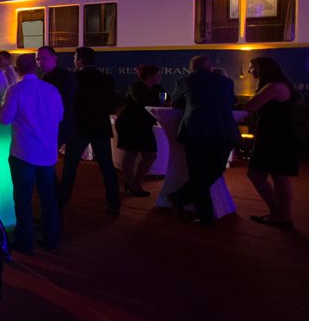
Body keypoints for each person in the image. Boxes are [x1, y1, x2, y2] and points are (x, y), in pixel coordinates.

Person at [0, 53, 64, 254]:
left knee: (23, 199)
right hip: (48, 153)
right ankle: (52, 238)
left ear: (17, 70)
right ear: (36, 68)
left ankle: (24, 241)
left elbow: (5, 119)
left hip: (23, 152)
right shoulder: (51, 90)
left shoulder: (15, 90)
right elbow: (60, 115)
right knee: (48, 198)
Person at [169, 55, 241, 227]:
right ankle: (182, 198)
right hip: (224, 130)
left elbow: (175, 104)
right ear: (210, 67)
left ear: (191, 68)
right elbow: (231, 102)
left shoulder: (184, 81)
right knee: (215, 170)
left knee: (197, 173)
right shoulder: (226, 82)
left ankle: (200, 212)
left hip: (196, 131)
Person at [59, 47, 120, 216]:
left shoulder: (73, 78)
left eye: (74, 58)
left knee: (70, 166)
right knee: (107, 167)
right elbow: (111, 106)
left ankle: (62, 199)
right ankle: (114, 203)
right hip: (100, 127)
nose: (73, 61)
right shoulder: (107, 79)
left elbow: (68, 105)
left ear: (80, 60)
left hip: (78, 127)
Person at [243, 57, 297, 229]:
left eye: (251, 68)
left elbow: (249, 107)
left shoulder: (273, 87)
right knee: (279, 175)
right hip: (280, 134)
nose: (250, 71)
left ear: (262, 68)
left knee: (260, 174)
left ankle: (281, 215)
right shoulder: (282, 85)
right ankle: (280, 215)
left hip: (274, 135)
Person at [115, 64, 162, 197]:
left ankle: (136, 181)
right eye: (157, 75)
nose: (160, 78)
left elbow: (166, 99)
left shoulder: (158, 88)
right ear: (149, 77)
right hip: (130, 124)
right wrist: (159, 101)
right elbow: (142, 102)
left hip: (144, 125)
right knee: (131, 153)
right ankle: (131, 183)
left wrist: (160, 99)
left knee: (150, 155)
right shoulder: (135, 87)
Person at [36, 46, 76, 150]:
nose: (40, 62)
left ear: (54, 58)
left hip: (61, 126)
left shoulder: (65, 77)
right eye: (38, 59)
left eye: (44, 58)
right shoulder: (46, 77)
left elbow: (67, 104)